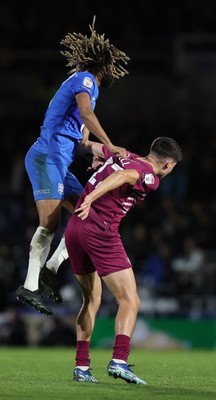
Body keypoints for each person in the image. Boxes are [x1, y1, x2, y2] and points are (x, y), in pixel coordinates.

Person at [16, 16, 129, 316]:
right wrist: (111, 143)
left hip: (61, 162)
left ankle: (52, 267)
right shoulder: (86, 80)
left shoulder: (92, 89)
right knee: (50, 223)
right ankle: (29, 287)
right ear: (103, 64)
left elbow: (81, 139)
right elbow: (87, 115)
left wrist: (96, 151)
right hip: (45, 157)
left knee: (89, 212)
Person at [64, 137, 183, 384]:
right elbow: (124, 177)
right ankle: (119, 361)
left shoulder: (121, 153)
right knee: (130, 300)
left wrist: (87, 144)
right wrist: (92, 196)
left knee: (90, 300)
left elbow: (87, 146)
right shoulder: (150, 176)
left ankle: (81, 367)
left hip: (74, 229)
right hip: (100, 230)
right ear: (168, 164)